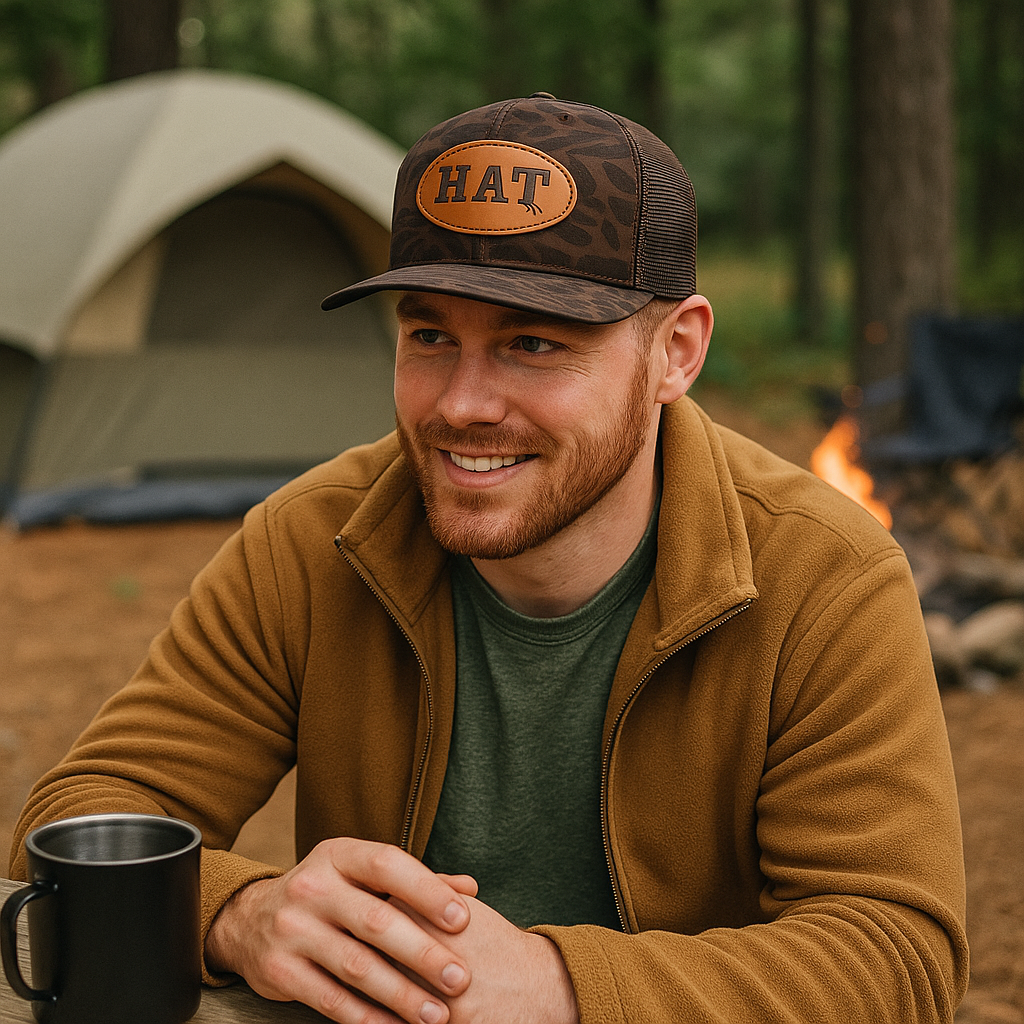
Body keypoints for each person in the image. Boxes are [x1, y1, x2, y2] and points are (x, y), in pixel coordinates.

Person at [11, 94, 968, 1024]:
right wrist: (234, 909)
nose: (461, 403)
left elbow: (894, 952)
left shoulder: (824, 577)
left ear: (675, 351)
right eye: (429, 334)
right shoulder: (314, 543)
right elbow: (81, 817)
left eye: (533, 343)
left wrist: (557, 987)